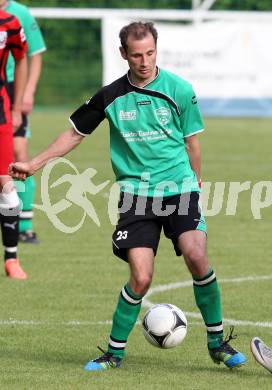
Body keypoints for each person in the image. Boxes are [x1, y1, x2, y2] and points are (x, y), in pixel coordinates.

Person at [9, 21, 247, 369]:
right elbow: (74, 134)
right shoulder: (110, 96)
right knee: (141, 277)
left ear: (156, 50)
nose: (145, 61)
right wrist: (35, 163)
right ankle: (113, 353)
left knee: (197, 256)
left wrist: (196, 187)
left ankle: (217, 343)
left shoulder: (179, 89)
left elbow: (192, 144)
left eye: (150, 52)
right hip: (137, 196)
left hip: (179, 188)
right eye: (136, 55)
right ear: (124, 54)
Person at [0, 0, 46, 244]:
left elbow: (34, 54)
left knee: (18, 153)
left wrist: (28, 91)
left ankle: (24, 225)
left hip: (11, 88)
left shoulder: (20, 13)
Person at [0, 7, 27, 278]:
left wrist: (17, 106)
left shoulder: (10, 22)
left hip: (0, 105)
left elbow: (22, 60)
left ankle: (11, 258)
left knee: (6, 180)